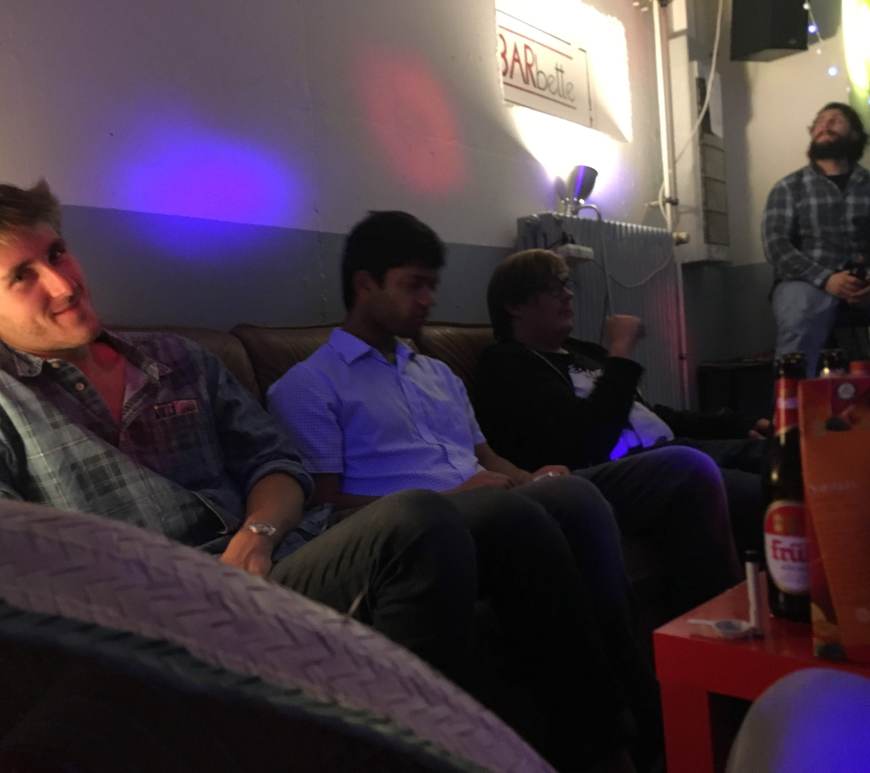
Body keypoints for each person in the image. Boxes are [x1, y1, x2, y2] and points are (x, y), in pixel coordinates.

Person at [0, 182, 634, 772]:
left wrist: (258, 534)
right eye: (21, 275)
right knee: (421, 518)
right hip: (153, 611)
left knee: (543, 505)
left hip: (272, 561)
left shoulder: (176, 359)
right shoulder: (10, 403)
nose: (62, 283)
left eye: (57, 252)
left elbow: (277, 462)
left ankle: (603, 744)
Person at [268, 210, 742, 767]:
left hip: (496, 496)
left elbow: (488, 457)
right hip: (426, 522)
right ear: (365, 284)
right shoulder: (309, 384)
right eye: (414, 285)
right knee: (552, 505)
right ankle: (618, 734)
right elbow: (323, 508)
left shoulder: (437, 373)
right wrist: (462, 497)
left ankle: (700, 688)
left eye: (433, 286)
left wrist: (530, 477)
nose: (428, 300)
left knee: (670, 469)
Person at [476, 248, 766, 556]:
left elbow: (649, 415)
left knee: (784, 455)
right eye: (553, 289)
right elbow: (588, 440)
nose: (568, 295)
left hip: (675, 447)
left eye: (566, 285)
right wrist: (621, 350)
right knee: (763, 493)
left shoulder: (584, 353)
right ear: (515, 305)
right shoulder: (507, 363)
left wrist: (737, 423)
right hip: (630, 469)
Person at [763, 101, 870, 375]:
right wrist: (827, 279)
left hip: (865, 279)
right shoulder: (789, 187)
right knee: (798, 314)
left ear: (855, 134)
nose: (825, 125)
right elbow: (776, 246)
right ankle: (792, 399)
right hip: (806, 281)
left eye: (836, 120)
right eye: (820, 121)